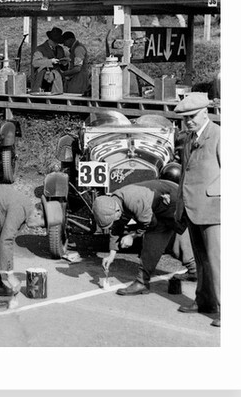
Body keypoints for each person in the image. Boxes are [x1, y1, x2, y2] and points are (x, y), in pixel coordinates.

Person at [95, 180, 197, 295]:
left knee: (170, 241)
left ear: (117, 211)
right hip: (158, 205)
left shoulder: (134, 200)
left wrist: (132, 236)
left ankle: (197, 273)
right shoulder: (114, 201)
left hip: (173, 199)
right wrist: (111, 255)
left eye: (113, 219)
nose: (114, 221)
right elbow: (117, 227)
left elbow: (149, 223)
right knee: (159, 243)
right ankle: (142, 282)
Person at [174, 93, 221, 327]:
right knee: (202, 259)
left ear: (205, 112)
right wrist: (179, 206)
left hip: (215, 209)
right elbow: (185, 174)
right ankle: (205, 301)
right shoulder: (189, 138)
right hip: (193, 208)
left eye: (192, 116)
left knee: (219, 260)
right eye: (185, 118)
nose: (188, 121)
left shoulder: (220, 135)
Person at [31, 27, 67, 93]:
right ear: (50, 39)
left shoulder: (60, 49)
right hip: (42, 81)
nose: (56, 43)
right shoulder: (40, 49)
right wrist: (50, 61)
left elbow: (64, 68)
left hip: (57, 81)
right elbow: (35, 63)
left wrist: (64, 64)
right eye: (55, 41)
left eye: (58, 42)